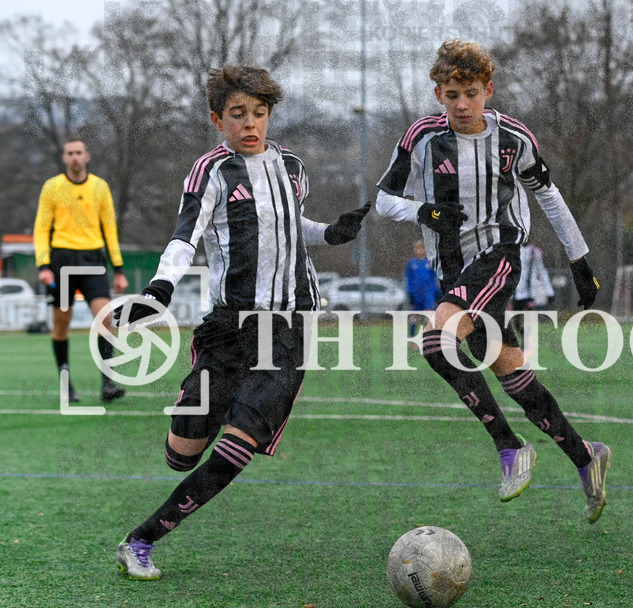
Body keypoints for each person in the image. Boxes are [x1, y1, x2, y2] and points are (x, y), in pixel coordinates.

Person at [113, 66, 371, 579]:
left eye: (259, 113)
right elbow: (185, 236)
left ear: (269, 115)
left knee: (238, 445)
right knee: (182, 453)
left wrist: (330, 234)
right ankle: (210, 410)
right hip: (229, 328)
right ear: (218, 120)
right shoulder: (210, 171)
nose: (250, 124)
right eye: (238, 114)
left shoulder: (293, 167)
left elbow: (290, 225)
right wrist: (159, 289)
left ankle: (140, 540)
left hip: (290, 326)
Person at [375, 40, 611, 522]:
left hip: (498, 256)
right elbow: (383, 200)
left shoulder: (514, 139)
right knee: (514, 377)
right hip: (451, 271)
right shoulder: (422, 136)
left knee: (436, 344)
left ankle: (510, 446)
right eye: (452, 94)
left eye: (472, 93)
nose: (462, 104)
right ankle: (586, 455)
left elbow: (548, 195)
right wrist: (424, 211)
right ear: (438, 94)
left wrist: (579, 260)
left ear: (489, 90)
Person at [34, 138, 128, 403]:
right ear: (64, 158)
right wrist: (43, 265)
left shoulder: (100, 187)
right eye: (70, 153)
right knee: (61, 323)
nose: (74, 157)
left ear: (87, 156)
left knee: (105, 319)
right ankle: (66, 382)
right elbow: (41, 228)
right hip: (61, 261)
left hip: (93, 260)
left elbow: (109, 229)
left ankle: (108, 384)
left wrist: (118, 269)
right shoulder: (52, 187)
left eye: (79, 152)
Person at [511, 243, 555, 338]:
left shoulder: (535, 252)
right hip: (516, 293)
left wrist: (549, 291)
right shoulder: (512, 250)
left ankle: (526, 340)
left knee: (528, 318)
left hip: (530, 294)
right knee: (516, 321)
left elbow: (542, 271)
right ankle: (523, 337)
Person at [405, 240, 442, 335]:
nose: (419, 251)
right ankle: (412, 338)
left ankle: (428, 337)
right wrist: (410, 292)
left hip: (428, 294)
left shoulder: (429, 262)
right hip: (416, 294)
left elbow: (434, 279)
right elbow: (409, 279)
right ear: (414, 250)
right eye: (417, 248)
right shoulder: (412, 263)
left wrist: (436, 292)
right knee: (415, 317)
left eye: (422, 248)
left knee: (428, 316)